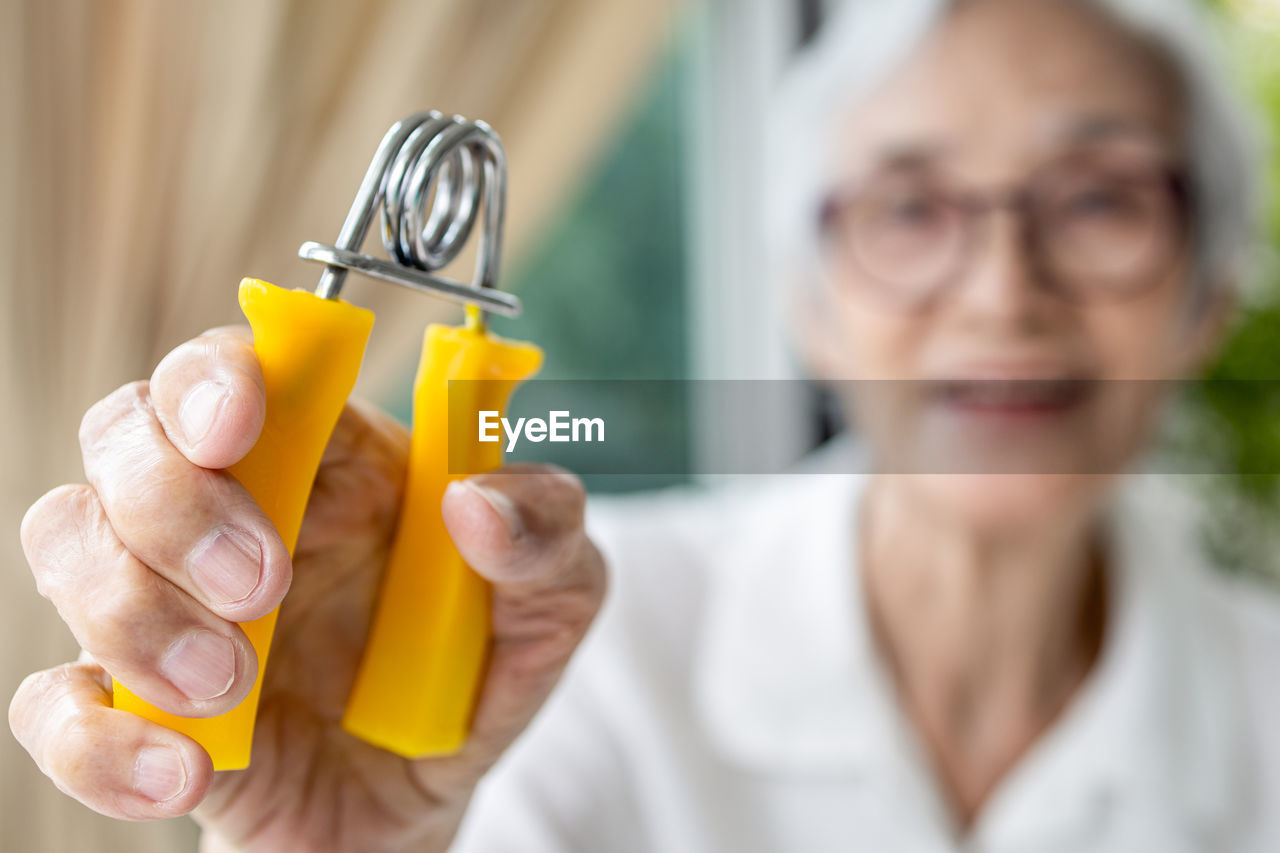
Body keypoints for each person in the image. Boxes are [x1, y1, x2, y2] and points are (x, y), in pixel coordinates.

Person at [10, 0, 1280, 850]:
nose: (1006, 288)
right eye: (910, 208)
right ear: (808, 301)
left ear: (1207, 292)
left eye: (1099, 200)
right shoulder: (562, 665)